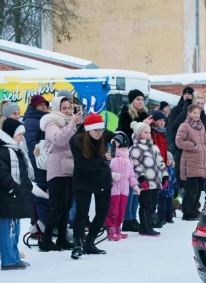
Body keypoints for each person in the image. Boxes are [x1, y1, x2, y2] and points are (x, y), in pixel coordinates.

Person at [0, 100, 26, 260]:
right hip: (3, 182)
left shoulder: (19, 131)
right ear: (7, 116)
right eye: (14, 113)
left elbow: (24, 154)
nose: (18, 116)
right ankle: (1, 247)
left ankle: (13, 247)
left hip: (18, 182)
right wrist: (3, 172)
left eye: (18, 113)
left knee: (16, 215)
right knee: (1, 215)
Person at [69, 114, 117, 258]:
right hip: (83, 179)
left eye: (101, 130)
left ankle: (90, 242)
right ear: (88, 129)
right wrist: (104, 160)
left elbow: (123, 138)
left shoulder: (102, 133)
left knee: (102, 212)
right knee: (82, 212)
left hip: (103, 179)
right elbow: (83, 165)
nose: (99, 133)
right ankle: (77, 243)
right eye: (96, 130)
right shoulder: (76, 140)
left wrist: (117, 140)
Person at [39, 96, 82, 252]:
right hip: (57, 168)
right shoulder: (52, 123)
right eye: (64, 108)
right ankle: (46, 239)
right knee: (59, 205)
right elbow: (59, 140)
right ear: (57, 108)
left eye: (69, 108)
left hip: (70, 168)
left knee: (67, 205)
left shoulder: (69, 123)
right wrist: (72, 124)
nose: (67, 111)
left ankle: (62, 238)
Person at [0, 118, 33, 271]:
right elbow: (2, 174)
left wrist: (26, 187)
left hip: (17, 195)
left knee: (15, 229)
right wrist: (14, 188)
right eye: (19, 134)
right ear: (11, 134)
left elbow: (23, 173)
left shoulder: (17, 149)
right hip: (9, 195)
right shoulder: (3, 151)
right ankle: (8, 260)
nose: (21, 137)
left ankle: (14, 256)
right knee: (8, 229)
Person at [118, 89, 152, 233]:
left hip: (141, 154)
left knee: (138, 187)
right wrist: (141, 124)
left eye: (142, 99)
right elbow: (126, 134)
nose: (140, 102)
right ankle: (127, 218)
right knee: (130, 187)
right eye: (138, 99)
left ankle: (133, 217)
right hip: (129, 154)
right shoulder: (126, 115)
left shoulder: (144, 114)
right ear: (132, 101)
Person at [130, 120, 168, 236]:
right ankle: (145, 228)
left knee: (152, 204)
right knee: (145, 204)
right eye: (145, 132)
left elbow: (161, 162)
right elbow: (135, 164)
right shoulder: (135, 148)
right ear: (138, 134)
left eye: (149, 132)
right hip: (145, 182)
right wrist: (141, 179)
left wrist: (164, 176)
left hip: (155, 182)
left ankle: (147, 225)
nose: (148, 134)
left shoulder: (154, 147)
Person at [176, 103, 206, 221]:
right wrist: (194, 146)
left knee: (198, 191)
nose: (196, 115)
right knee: (191, 190)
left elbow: (205, 143)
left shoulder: (201, 126)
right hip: (190, 162)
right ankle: (187, 212)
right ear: (189, 113)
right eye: (194, 112)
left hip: (200, 162)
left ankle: (194, 210)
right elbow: (179, 141)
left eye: (198, 113)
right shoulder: (184, 126)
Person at [23, 94, 52, 227]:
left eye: (45, 105)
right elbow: (31, 145)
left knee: (44, 197)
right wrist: (36, 164)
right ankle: (40, 226)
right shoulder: (31, 121)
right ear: (34, 106)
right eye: (41, 105)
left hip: (45, 163)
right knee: (40, 197)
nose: (44, 107)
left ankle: (37, 225)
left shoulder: (44, 119)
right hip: (38, 165)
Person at [105, 131, 138, 241]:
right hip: (113, 188)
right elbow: (104, 171)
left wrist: (135, 186)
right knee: (113, 208)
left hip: (124, 189)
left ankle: (118, 227)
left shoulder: (128, 159)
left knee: (121, 208)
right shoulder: (112, 157)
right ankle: (111, 229)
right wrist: (112, 175)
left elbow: (131, 174)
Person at [157, 152, 178, 224]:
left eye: (170, 159)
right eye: (166, 159)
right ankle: (161, 218)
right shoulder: (162, 169)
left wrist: (176, 190)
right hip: (162, 192)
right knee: (162, 207)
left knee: (170, 207)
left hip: (170, 192)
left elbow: (174, 181)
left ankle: (169, 218)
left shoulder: (172, 169)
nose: (168, 161)